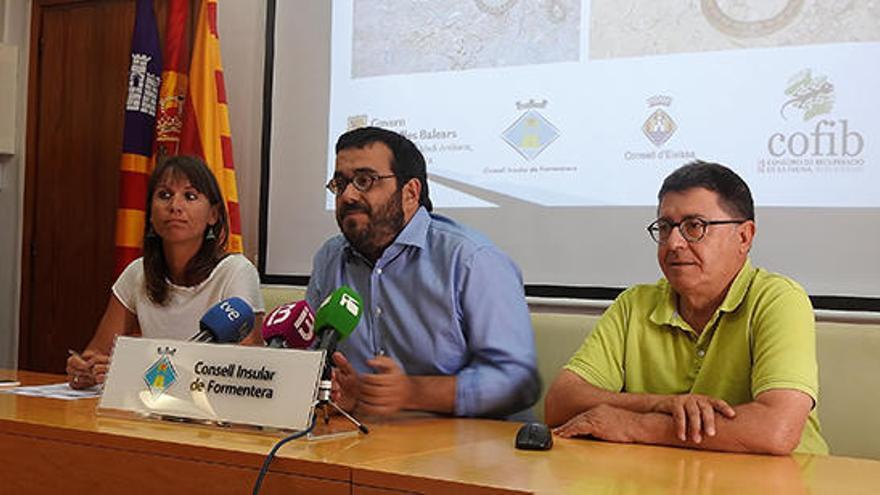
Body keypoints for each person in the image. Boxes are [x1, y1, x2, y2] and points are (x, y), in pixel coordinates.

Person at [545, 160, 828, 455]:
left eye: (695, 227)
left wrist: (634, 425)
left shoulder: (778, 299)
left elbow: (775, 430)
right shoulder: (634, 304)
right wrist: (660, 404)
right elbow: (560, 402)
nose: (674, 243)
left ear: (744, 237)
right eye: (665, 228)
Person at [306, 126, 540, 419]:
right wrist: (341, 391)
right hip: (363, 441)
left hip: (470, 450)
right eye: (340, 184)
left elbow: (518, 382)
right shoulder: (330, 258)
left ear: (410, 193)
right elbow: (311, 358)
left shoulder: (472, 260)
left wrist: (413, 392)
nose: (348, 195)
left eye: (365, 180)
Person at [66, 155, 265, 389]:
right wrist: (85, 371)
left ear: (214, 214)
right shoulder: (137, 273)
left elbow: (245, 373)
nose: (175, 206)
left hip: (209, 415)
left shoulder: (236, 272)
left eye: (190, 196)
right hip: (149, 410)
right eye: (164, 195)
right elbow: (96, 353)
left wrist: (136, 373)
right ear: (150, 213)